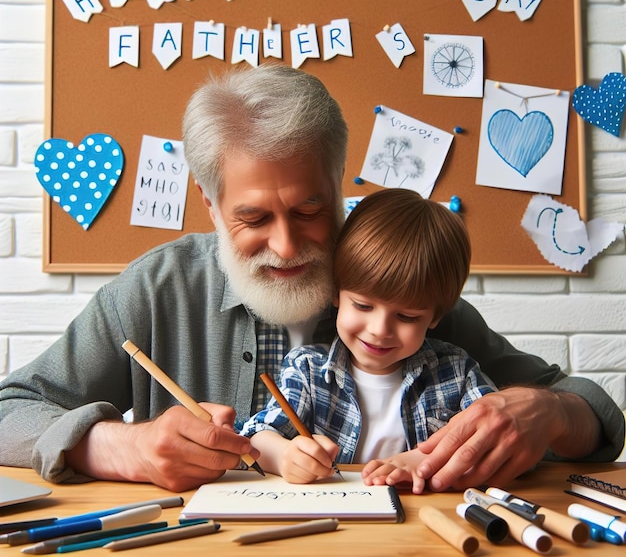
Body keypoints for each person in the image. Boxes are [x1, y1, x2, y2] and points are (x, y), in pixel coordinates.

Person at [0, 64, 623, 493]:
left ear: (338, 181)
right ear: (209, 203)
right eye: (251, 218)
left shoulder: (394, 282)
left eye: (309, 210)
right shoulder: (156, 289)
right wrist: (113, 446)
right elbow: (10, 410)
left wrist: (551, 413)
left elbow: (597, 417)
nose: (287, 245)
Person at [240, 188, 497, 493]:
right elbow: (256, 436)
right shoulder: (308, 369)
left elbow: (493, 438)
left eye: (406, 317)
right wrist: (284, 456)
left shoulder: (456, 372)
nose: (379, 329)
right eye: (362, 306)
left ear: (436, 316)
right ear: (336, 293)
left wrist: (424, 460)